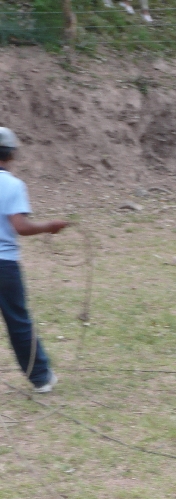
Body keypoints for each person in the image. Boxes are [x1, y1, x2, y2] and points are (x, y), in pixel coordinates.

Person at [0, 128, 69, 393]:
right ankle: (41, 378)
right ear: (12, 154)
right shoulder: (14, 185)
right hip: (5, 265)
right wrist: (48, 226)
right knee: (18, 321)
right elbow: (20, 226)